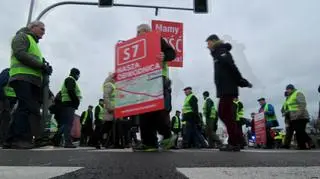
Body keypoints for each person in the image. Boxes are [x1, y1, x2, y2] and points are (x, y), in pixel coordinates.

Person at [3, 21, 52, 149]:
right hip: (22, 77)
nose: (43, 32)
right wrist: (41, 65)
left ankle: (11, 139)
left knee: (27, 109)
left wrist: (44, 66)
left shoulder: (33, 43)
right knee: (25, 108)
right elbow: (20, 53)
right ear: (32, 27)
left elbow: (33, 59)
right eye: (41, 28)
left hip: (31, 80)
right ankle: (19, 139)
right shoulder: (22, 36)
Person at [134, 24, 177, 151]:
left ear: (147, 32)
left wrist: (164, 55)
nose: (137, 34)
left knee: (157, 110)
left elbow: (171, 53)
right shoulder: (138, 47)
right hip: (144, 80)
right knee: (144, 112)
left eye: (139, 32)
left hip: (158, 77)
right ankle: (149, 143)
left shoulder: (157, 39)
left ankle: (167, 136)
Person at [206, 34, 252, 152]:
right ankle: (237, 141)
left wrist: (241, 81)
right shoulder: (217, 53)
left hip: (228, 89)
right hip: (225, 89)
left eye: (209, 42)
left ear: (214, 41)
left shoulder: (221, 51)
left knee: (224, 114)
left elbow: (232, 67)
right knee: (227, 115)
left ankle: (235, 142)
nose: (207, 45)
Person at [53, 68, 81, 148]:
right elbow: (71, 91)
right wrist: (76, 101)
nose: (78, 77)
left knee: (65, 124)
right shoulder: (70, 80)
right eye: (78, 75)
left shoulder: (70, 80)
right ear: (75, 74)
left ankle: (56, 139)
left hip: (67, 104)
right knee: (68, 124)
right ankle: (67, 142)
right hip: (69, 104)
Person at [284, 84, 311, 150]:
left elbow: (302, 104)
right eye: (286, 89)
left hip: (301, 116)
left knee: (300, 130)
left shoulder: (298, 93)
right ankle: (302, 146)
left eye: (288, 89)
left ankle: (309, 141)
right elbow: (290, 108)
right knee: (298, 131)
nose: (287, 91)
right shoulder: (289, 97)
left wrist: (298, 114)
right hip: (294, 117)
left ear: (291, 89)